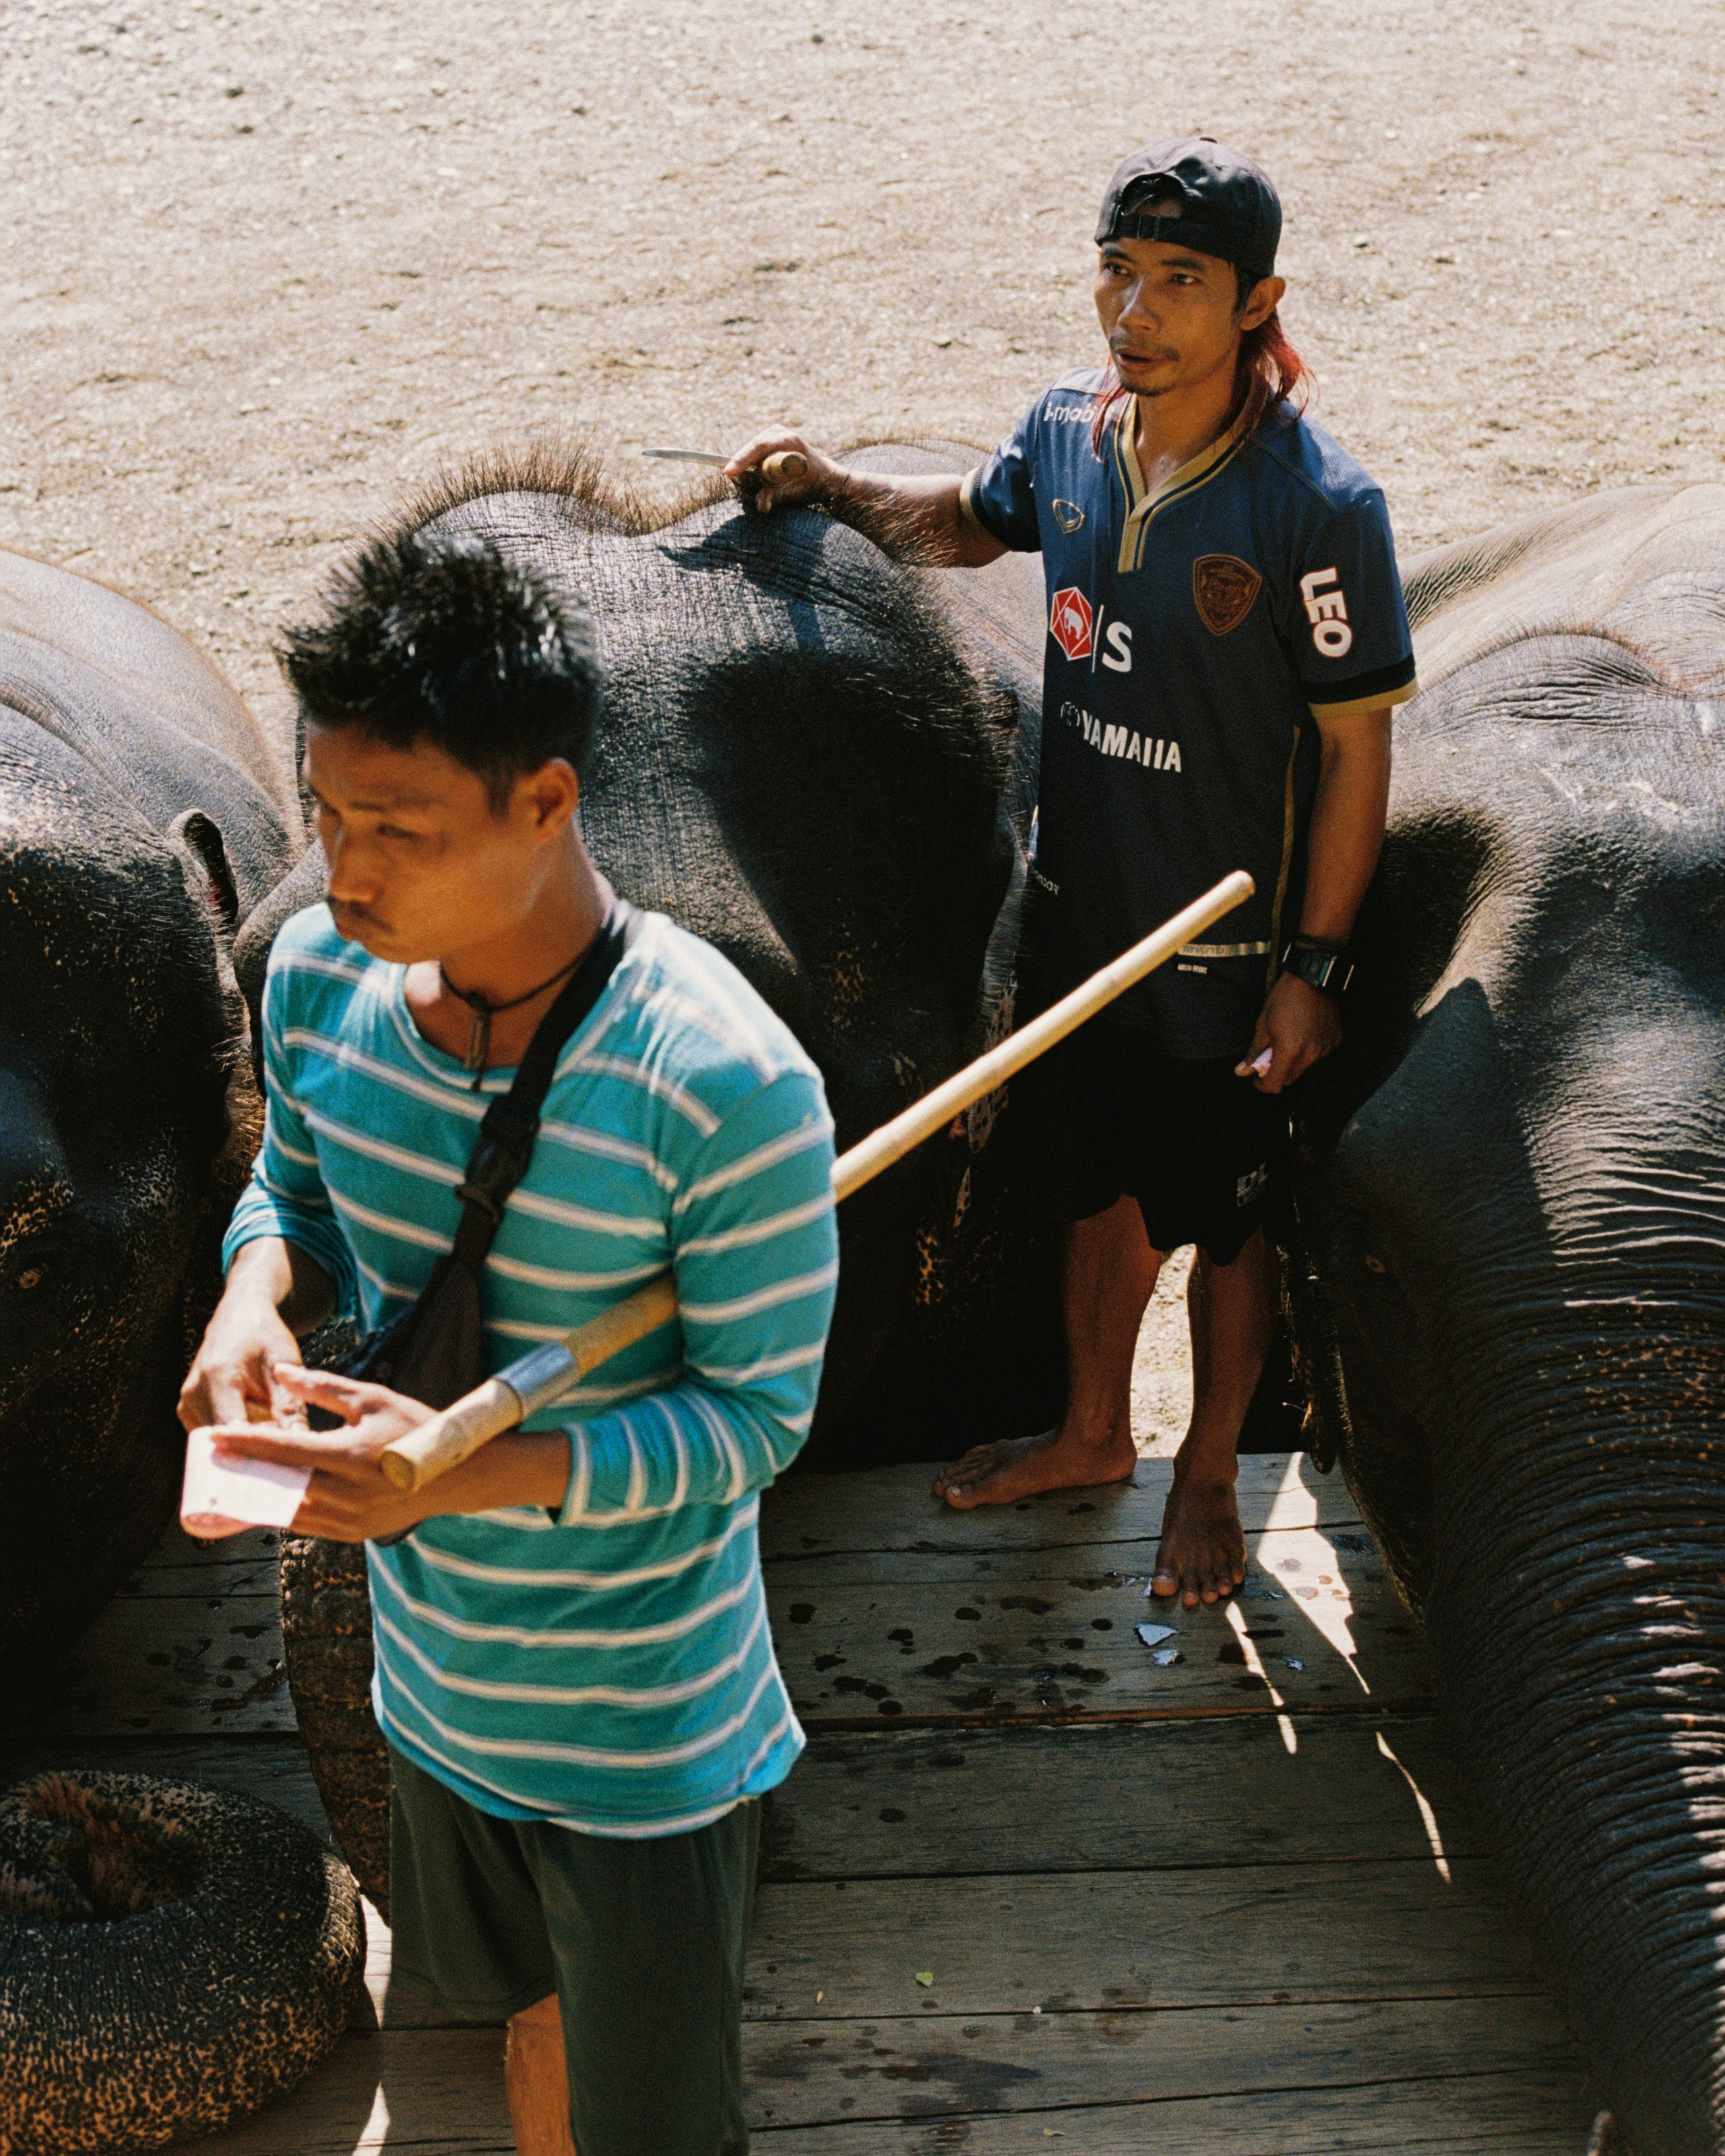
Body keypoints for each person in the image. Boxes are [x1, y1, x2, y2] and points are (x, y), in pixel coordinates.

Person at [179, 530, 838, 2156]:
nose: (342, 871)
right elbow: (296, 1189)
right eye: (328, 815)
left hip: (642, 1738)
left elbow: (749, 1430)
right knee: (529, 2033)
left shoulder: (722, 1086)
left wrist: (455, 1479)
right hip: (435, 1698)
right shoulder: (322, 981)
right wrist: (251, 1289)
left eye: (395, 830)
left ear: (545, 800)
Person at [726, 136, 1416, 1608]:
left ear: (1254, 304)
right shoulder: (1062, 433)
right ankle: (1097, 1431)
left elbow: (1355, 758)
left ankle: (1209, 1471)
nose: (1136, 309)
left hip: (1226, 953)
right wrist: (831, 484)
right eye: (1117, 270)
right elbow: (959, 527)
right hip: (1076, 922)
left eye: (1180, 280)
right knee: (1091, 1189)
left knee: (1228, 1224)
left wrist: (1314, 970)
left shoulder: (1315, 509)